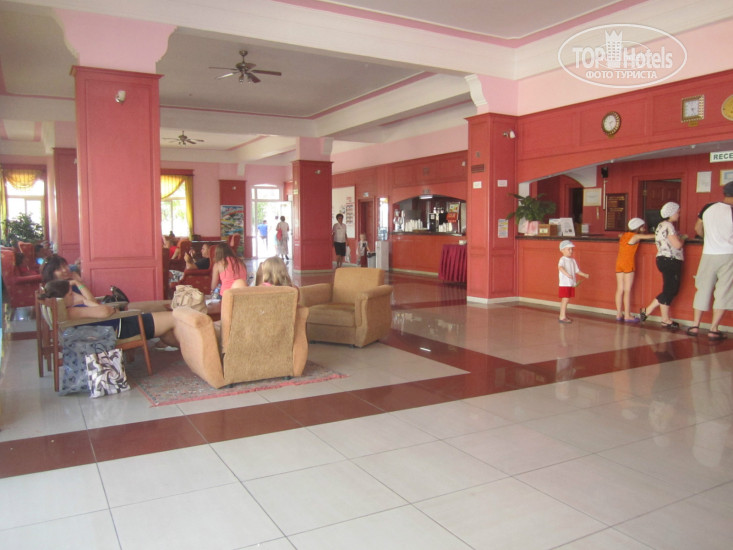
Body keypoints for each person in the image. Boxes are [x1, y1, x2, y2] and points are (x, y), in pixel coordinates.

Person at [40, 279, 179, 350]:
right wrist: (105, 308)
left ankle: (186, 351)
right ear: (62, 298)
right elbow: (105, 311)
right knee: (176, 317)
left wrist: (79, 288)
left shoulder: (64, 309)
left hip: (120, 324)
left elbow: (91, 301)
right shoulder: (73, 311)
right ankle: (190, 349)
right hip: (123, 328)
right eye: (71, 294)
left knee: (167, 330)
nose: (74, 296)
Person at [687, 181, 733, 340]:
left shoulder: (708, 207)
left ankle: (695, 325)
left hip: (708, 254)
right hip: (728, 255)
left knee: (702, 288)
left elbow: (697, 228)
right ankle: (713, 329)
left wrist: (707, 238)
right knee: (724, 291)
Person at [640, 202, 687, 329]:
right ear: (671, 213)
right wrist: (683, 238)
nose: (679, 215)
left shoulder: (660, 225)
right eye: (677, 212)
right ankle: (665, 319)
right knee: (670, 290)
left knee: (669, 289)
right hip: (671, 260)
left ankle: (647, 311)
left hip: (663, 259)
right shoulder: (669, 226)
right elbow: (677, 245)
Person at [614, 217, 655, 323]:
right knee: (627, 290)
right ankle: (627, 315)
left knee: (620, 289)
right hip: (628, 264)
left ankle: (619, 313)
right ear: (638, 227)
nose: (644, 229)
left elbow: (619, 235)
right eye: (642, 227)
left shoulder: (623, 235)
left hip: (619, 263)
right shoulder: (636, 236)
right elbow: (650, 236)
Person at [558, 240, 589, 323]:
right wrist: (567, 274)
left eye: (571, 249)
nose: (571, 251)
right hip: (564, 284)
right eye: (569, 249)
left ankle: (563, 315)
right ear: (562, 250)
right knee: (565, 300)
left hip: (570, 283)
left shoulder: (572, 260)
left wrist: (584, 275)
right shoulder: (562, 259)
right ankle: (562, 316)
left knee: (567, 300)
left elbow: (577, 271)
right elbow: (560, 267)